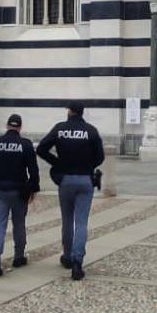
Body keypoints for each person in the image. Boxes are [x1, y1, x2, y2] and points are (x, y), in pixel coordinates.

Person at [37, 101, 104, 281]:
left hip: (65, 179)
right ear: (81, 112)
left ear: (70, 111)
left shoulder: (60, 129)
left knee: (67, 220)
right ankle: (77, 261)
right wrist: (88, 165)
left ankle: (67, 256)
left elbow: (41, 149)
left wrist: (57, 162)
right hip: (85, 180)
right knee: (81, 222)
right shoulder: (91, 130)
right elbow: (100, 157)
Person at [0, 114, 40, 278]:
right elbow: (33, 171)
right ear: (20, 127)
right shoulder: (26, 145)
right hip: (18, 190)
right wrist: (33, 188)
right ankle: (19, 256)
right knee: (19, 223)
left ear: (7, 126)